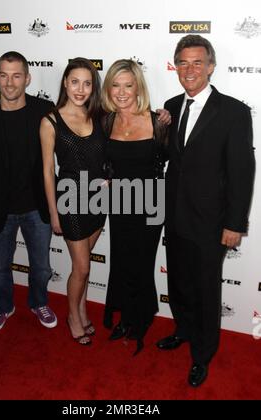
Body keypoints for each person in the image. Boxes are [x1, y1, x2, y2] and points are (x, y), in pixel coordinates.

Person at [156, 35, 255, 386]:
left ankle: (202, 353)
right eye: (183, 62)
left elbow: (243, 171)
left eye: (198, 62)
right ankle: (182, 330)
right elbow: (166, 158)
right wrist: (159, 130)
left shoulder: (233, 111)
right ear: (175, 67)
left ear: (211, 66)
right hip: (176, 217)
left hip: (212, 224)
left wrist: (234, 223)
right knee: (179, 283)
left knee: (206, 290)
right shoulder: (170, 105)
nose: (190, 69)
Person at [0, 51, 57, 334]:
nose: (9, 82)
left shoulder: (45, 110)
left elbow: (81, 124)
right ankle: (3, 307)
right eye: (4, 75)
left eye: (16, 75)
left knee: (41, 268)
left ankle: (38, 301)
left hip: (37, 208)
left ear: (27, 79)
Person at [101, 59, 168, 354]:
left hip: (151, 203)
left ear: (138, 87)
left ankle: (139, 318)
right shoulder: (105, 121)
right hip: (120, 203)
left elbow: (174, 162)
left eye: (128, 85)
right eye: (116, 85)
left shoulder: (158, 122)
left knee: (142, 262)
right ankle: (126, 316)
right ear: (108, 88)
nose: (122, 92)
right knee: (121, 261)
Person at [40, 58, 106, 345]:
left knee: (84, 265)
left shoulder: (100, 116)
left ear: (93, 87)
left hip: (98, 201)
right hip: (70, 203)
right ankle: (72, 316)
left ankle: (80, 308)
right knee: (82, 267)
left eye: (87, 83)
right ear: (65, 82)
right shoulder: (50, 121)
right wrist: (54, 213)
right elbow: (47, 171)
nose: (80, 89)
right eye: (75, 81)